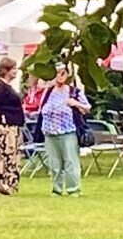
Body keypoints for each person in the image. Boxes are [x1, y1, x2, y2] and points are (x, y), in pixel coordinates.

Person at [38, 61, 89, 197]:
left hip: (68, 132)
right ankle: (56, 189)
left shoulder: (73, 92)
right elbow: (41, 109)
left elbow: (87, 108)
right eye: (56, 73)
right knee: (54, 163)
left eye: (62, 73)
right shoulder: (47, 92)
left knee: (70, 161)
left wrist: (75, 103)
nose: (59, 76)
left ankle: (73, 189)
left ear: (67, 75)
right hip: (50, 132)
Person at [0, 57, 28, 196]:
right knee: (4, 156)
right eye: (14, 69)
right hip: (5, 128)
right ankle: (3, 184)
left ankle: (9, 184)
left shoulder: (8, 88)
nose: (16, 71)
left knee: (11, 157)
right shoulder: (0, 88)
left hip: (13, 128)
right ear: (6, 70)